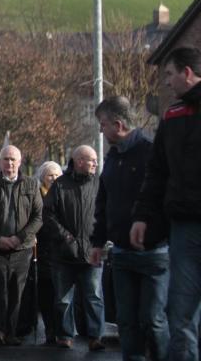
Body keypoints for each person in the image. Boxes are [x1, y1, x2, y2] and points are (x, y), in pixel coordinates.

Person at [132, 46, 201, 361]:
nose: (167, 83)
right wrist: (144, 215)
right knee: (180, 310)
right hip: (183, 226)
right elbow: (157, 172)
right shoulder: (173, 116)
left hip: (187, 226)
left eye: (170, 75)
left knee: (184, 311)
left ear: (187, 73)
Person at [92, 96, 169, 361]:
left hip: (154, 251)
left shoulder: (151, 152)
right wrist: (97, 241)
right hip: (122, 253)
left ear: (118, 124)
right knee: (126, 321)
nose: (100, 130)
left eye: (102, 125)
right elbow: (105, 202)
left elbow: (162, 197)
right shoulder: (113, 158)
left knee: (153, 320)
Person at [0, 144, 43, 346]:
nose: (9, 163)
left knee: (16, 292)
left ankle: (11, 332)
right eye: (6, 159)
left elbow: (38, 217)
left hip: (22, 249)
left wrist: (19, 238)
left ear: (20, 162)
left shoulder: (31, 184)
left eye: (13, 159)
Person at [43, 145, 104, 351]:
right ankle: (65, 335)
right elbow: (49, 215)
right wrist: (66, 238)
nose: (95, 163)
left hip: (92, 251)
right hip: (64, 253)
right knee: (63, 299)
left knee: (94, 297)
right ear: (79, 161)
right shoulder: (60, 185)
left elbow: (106, 211)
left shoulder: (99, 184)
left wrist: (101, 240)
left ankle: (96, 336)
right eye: (91, 160)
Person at [27, 161, 63, 344]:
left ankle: (62, 330)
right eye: (50, 175)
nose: (54, 179)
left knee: (61, 295)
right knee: (46, 293)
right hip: (41, 251)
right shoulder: (36, 195)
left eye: (57, 175)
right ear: (42, 177)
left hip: (60, 249)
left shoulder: (64, 193)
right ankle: (50, 329)